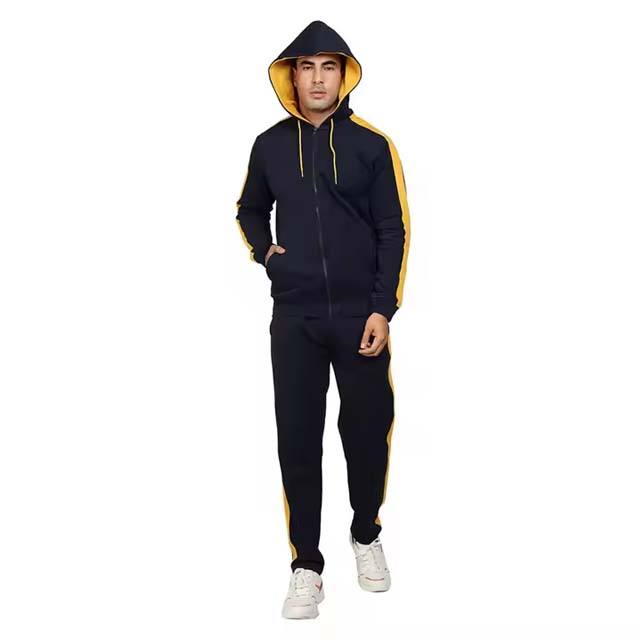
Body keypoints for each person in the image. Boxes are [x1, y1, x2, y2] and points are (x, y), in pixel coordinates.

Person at [235, 19, 411, 619]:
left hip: (361, 318)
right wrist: (267, 252)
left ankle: (366, 534)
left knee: (367, 430)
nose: (317, 79)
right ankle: (306, 565)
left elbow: (393, 229)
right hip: (296, 318)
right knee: (297, 437)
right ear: (291, 76)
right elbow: (248, 209)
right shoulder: (269, 145)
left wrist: (382, 308)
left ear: (344, 76)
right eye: (306, 67)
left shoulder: (371, 145)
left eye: (328, 67)